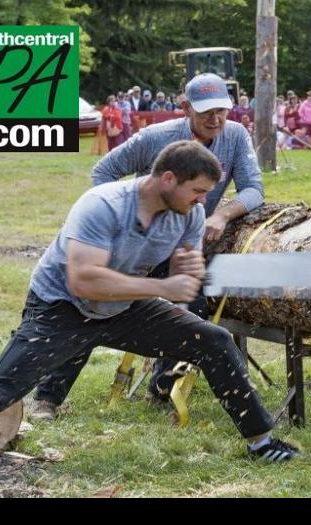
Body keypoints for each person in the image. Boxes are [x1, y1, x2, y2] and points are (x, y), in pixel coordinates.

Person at [0, 141, 302, 471]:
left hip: (125, 307)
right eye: (197, 190)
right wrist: (162, 286)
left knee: (213, 341)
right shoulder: (103, 205)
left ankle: (261, 441)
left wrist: (189, 269)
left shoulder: (189, 213)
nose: (203, 200)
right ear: (167, 179)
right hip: (61, 307)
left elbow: (186, 264)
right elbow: (85, 280)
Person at [32, 74, 265, 418]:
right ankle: (48, 398)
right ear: (185, 107)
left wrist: (221, 216)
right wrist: (124, 223)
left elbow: (254, 189)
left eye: (221, 111)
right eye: (206, 112)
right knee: (89, 309)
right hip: (138, 245)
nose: (215, 120)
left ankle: (162, 388)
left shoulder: (235, 135)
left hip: (182, 242)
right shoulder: (155, 137)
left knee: (191, 303)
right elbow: (103, 172)